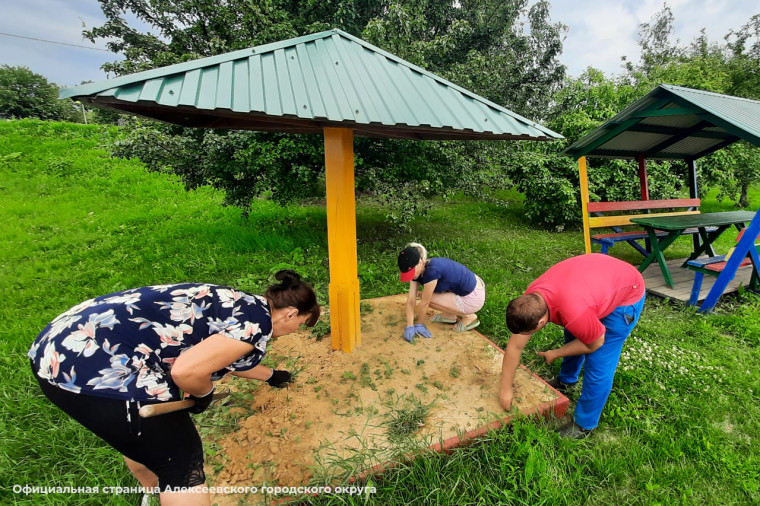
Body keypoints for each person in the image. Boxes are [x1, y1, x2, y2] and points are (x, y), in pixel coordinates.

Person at [28, 270, 319, 505]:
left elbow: (226, 358)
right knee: (180, 461)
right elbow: (187, 371)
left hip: (59, 348)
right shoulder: (255, 325)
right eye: (302, 323)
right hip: (98, 367)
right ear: (291, 314)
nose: (296, 331)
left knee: (140, 437)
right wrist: (203, 393)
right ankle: (169, 488)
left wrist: (271, 376)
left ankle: (151, 492)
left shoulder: (241, 303)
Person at [499, 254, 645, 438]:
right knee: (576, 330)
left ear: (542, 321)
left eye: (529, 332)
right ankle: (566, 381)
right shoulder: (530, 301)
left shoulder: (575, 312)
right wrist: (505, 388)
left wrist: (556, 353)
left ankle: (585, 424)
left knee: (599, 363)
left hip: (626, 294)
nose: (526, 337)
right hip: (596, 281)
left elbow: (594, 343)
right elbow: (515, 347)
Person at [397, 242, 486, 342]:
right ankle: (450, 315)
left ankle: (469, 317)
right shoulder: (418, 271)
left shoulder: (432, 272)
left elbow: (425, 302)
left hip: (474, 297)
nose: (411, 276)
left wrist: (419, 324)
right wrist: (409, 325)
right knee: (425, 295)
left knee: (427, 298)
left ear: (421, 261)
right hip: (463, 290)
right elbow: (411, 299)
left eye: (412, 272)